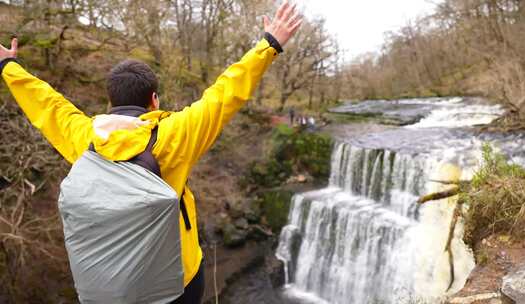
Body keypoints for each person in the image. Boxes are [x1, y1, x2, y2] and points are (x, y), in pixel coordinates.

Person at [0, 2, 302, 303]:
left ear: (110, 101)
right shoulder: (175, 134)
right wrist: (270, 44)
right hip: (177, 283)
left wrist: (9, 67)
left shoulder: (85, 139)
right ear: (154, 100)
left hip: (113, 281)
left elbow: (47, 105)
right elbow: (225, 94)